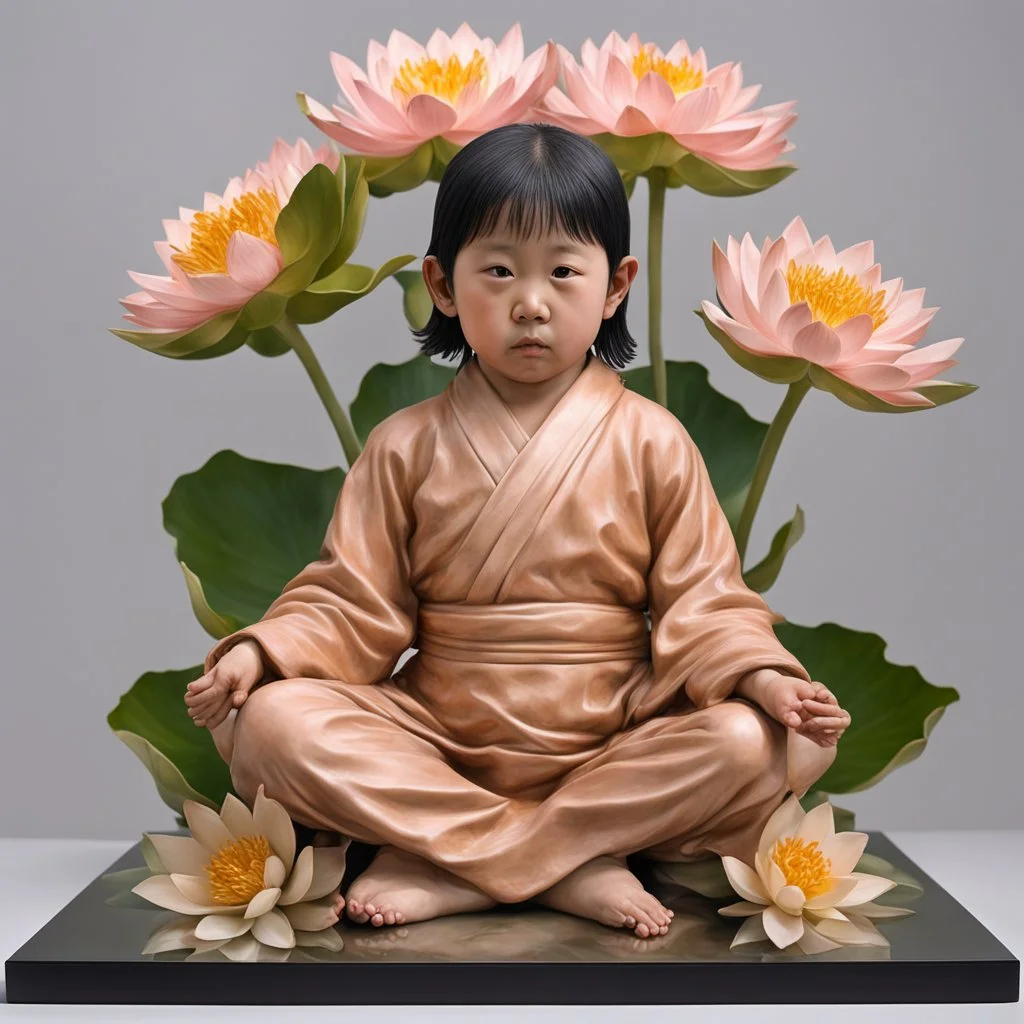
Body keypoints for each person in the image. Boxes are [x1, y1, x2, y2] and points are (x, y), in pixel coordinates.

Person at [184, 122, 851, 940]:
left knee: (751, 742)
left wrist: (764, 680)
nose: (530, 303)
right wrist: (262, 651)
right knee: (271, 727)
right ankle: (566, 860)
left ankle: (459, 861)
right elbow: (351, 604)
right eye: (497, 270)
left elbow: (706, 604)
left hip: (613, 735)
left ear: (615, 286)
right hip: (437, 737)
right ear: (442, 282)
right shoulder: (405, 446)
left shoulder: (652, 440)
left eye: (564, 272)